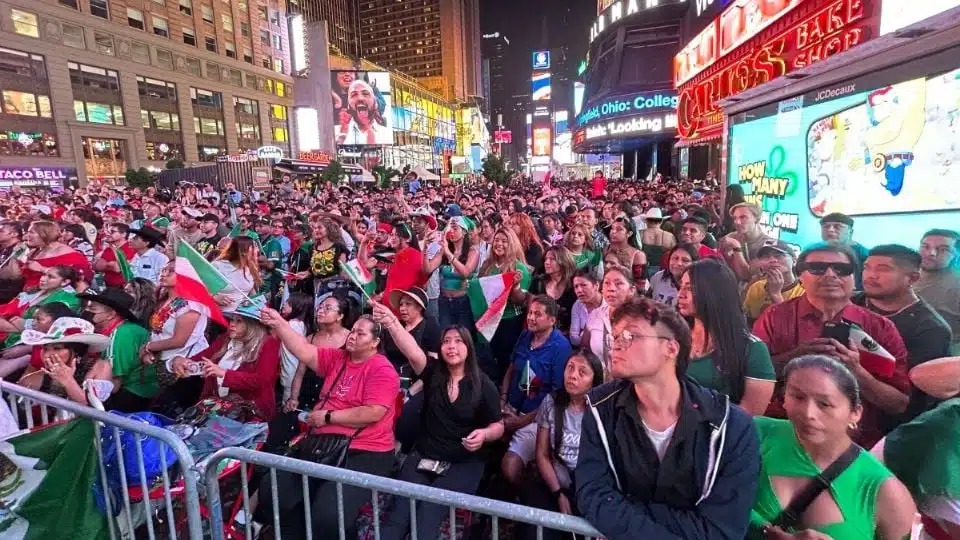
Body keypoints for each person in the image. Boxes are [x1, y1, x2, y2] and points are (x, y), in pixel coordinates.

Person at [576, 297, 761, 540]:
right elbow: (593, 495)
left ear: (671, 349)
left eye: (631, 336)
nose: (616, 346)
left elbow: (723, 528)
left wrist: (624, 512)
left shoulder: (730, 426)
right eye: (615, 337)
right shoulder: (601, 409)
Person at [258, 309, 400, 540]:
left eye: (360, 334)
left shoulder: (382, 369)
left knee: (328, 515)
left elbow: (373, 412)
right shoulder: (338, 358)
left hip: (364, 451)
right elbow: (304, 350)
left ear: (375, 342)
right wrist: (280, 323)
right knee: (273, 492)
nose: (352, 336)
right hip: (321, 443)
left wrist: (327, 417)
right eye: (352, 331)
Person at [753, 243, 909, 448]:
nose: (830, 275)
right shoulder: (774, 317)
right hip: (782, 436)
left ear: (854, 278)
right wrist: (794, 357)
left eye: (842, 269)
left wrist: (857, 372)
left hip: (852, 444)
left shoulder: (880, 328)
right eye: (818, 268)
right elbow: (750, 377)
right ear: (800, 275)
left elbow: (898, 404)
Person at [372, 303, 504, 540]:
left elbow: (498, 426)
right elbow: (411, 349)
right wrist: (391, 321)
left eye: (458, 341)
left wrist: (484, 435)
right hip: (424, 453)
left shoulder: (484, 385)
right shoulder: (433, 373)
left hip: (463, 461)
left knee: (428, 518)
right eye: (446, 342)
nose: (451, 346)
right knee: (398, 516)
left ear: (469, 348)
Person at [749, 355, 915, 540]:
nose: (808, 413)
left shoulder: (885, 492)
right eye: (798, 396)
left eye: (825, 404)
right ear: (784, 397)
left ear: (855, 413)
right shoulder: (755, 434)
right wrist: (765, 530)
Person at [854, 245, 953, 420]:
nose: (871, 275)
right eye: (867, 268)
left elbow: (912, 399)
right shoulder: (851, 302)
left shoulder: (931, 329)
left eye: (883, 269)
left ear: (913, 278)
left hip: (887, 423)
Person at [520, 350, 604, 539]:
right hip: (556, 481)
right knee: (536, 528)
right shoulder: (551, 402)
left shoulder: (603, 410)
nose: (573, 375)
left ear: (594, 380)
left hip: (591, 487)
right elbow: (542, 454)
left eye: (582, 372)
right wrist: (558, 493)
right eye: (570, 368)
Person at [678, 259, 775, 415]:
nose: (680, 294)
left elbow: (750, 414)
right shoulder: (673, 336)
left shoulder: (752, 349)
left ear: (713, 292)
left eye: (689, 288)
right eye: (681, 287)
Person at [500, 296, 573, 487]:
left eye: (537, 314)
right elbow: (511, 368)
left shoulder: (561, 347)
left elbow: (556, 397)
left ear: (552, 320)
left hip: (536, 419)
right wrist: (502, 400)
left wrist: (520, 422)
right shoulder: (525, 336)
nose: (531, 318)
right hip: (510, 408)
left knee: (510, 467)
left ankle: (526, 495)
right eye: (530, 313)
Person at [171, 295, 282, 420]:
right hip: (215, 407)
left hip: (248, 413)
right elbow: (202, 357)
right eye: (232, 320)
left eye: (238, 321)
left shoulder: (269, 343)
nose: (231, 325)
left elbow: (261, 380)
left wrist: (223, 373)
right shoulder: (226, 338)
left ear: (253, 325)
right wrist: (180, 360)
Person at [144, 262, 211, 412]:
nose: (164, 273)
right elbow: (157, 331)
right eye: (163, 269)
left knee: (174, 410)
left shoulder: (191, 304)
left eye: (171, 271)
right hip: (164, 362)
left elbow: (179, 340)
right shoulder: (165, 299)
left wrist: (148, 347)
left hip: (186, 365)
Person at [79, 288, 156, 413]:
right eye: (87, 307)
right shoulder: (122, 328)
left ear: (111, 314)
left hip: (134, 393)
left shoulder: (120, 335)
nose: (86, 311)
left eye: (93, 309)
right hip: (142, 389)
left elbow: (113, 384)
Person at [18, 317, 113, 406]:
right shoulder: (37, 377)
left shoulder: (101, 367)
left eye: (57, 348)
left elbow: (93, 407)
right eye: (45, 349)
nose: (47, 355)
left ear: (76, 351)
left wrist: (67, 380)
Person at [0, 265, 80, 348]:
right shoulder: (36, 291)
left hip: (30, 343)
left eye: (50, 277)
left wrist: (23, 325)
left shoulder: (69, 299)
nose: (42, 279)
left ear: (65, 282)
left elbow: (52, 326)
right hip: (9, 333)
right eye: (44, 275)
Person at [427, 216, 480, 333]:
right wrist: (426, 249)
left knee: (463, 337)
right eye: (450, 228)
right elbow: (428, 269)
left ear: (464, 231)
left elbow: (466, 272)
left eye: (455, 228)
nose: (451, 231)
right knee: (445, 334)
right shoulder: (444, 250)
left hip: (463, 301)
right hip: (444, 301)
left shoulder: (472, 251)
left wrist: (448, 253)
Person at [581, 266, 637, 377]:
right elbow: (585, 347)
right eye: (606, 283)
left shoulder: (639, 320)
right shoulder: (595, 315)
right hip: (600, 384)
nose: (611, 288)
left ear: (631, 290)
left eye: (618, 283)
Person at [916, 229, 960, 354]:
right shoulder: (904, 273)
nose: (932, 253)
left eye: (943, 249)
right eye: (925, 247)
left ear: (957, 254)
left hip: (945, 352)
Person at [719, 203, 784, 283]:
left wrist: (736, 247)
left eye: (743, 217)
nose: (737, 222)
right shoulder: (730, 237)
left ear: (757, 219)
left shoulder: (770, 244)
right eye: (735, 218)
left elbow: (747, 276)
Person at [383, 287, 441, 377]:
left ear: (419, 307)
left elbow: (434, 363)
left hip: (418, 379)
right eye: (401, 304)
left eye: (408, 304)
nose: (402, 308)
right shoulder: (396, 326)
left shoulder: (430, 326)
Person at [20, 221, 92, 289]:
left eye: (31, 232)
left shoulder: (68, 254)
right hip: (28, 296)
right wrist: (15, 255)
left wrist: (42, 269)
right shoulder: (33, 252)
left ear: (44, 234)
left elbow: (79, 280)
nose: (26, 236)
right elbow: (16, 276)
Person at [743, 245, 805, 323]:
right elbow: (746, 317)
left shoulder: (804, 292)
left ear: (794, 261)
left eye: (778, 256)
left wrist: (776, 294)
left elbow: (794, 327)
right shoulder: (756, 286)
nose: (772, 260)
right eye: (766, 257)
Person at [530, 246, 578, 336]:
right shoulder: (538, 282)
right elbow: (530, 312)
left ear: (563, 261)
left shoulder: (574, 286)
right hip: (538, 333)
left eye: (552, 259)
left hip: (566, 336)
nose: (546, 262)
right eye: (546, 259)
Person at [278, 292, 315, 404]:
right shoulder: (302, 325)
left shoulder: (292, 325)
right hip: (293, 370)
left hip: (290, 371)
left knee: (287, 402)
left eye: (288, 303)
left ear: (297, 307)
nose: (284, 305)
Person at [819, 212, 870, 289]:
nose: (830, 230)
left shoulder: (865, 255)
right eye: (826, 227)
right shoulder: (815, 254)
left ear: (850, 232)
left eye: (837, 227)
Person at [211, 236, 261, 311]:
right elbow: (199, 288)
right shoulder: (218, 266)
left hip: (238, 317)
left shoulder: (252, 268)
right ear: (244, 251)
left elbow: (250, 293)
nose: (258, 250)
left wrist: (257, 304)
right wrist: (214, 297)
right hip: (216, 314)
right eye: (254, 247)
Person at [648, 244, 698, 308]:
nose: (679, 263)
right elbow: (648, 301)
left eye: (685, 260)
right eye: (675, 258)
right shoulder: (658, 277)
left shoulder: (698, 285)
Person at [605, 217, 647, 285]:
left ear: (629, 234)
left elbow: (640, 286)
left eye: (619, 229)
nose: (613, 232)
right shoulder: (605, 250)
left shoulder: (637, 255)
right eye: (612, 228)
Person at [569, 268, 604, 347]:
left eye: (583, 285)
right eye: (576, 287)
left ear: (596, 286)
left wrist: (584, 333)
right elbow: (573, 338)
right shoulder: (577, 305)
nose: (579, 290)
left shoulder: (608, 305)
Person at [639, 207, 676, 277]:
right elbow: (674, 254)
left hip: (642, 270)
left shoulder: (639, 234)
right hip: (662, 271)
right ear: (661, 221)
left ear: (646, 221)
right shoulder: (669, 236)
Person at [0, 220, 25, 303]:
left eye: (1, 231)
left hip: (8, 289)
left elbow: (15, 275)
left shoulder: (21, 249)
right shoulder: (3, 247)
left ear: (14, 234)